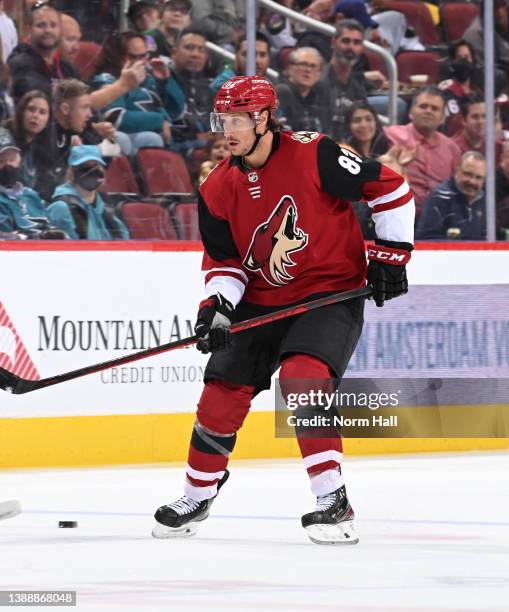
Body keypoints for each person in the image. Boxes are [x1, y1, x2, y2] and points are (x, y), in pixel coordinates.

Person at [152, 76, 415, 545]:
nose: (226, 130)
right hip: (262, 299)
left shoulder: (314, 153)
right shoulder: (217, 185)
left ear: (262, 118)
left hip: (327, 294)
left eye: (236, 120)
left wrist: (391, 256)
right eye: (222, 120)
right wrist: (218, 306)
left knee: (303, 378)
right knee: (220, 392)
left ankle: (332, 500)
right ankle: (197, 492)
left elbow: (390, 188)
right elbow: (225, 261)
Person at [92, 31, 185, 155]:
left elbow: (177, 112)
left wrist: (165, 82)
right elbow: (115, 117)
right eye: (134, 57)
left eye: (144, 56)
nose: (142, 62)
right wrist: (159, 121)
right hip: (136, 142)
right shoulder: (108, 80)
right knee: (151, 139)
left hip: (170, 143)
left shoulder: (150, 76)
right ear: (118, 57)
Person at [384, 86, 461, 217]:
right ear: (410, 112)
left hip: (439, 218)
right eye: (423, 106)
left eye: (434, 108)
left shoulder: (452, 149)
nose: (428, 111)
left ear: (443, 118)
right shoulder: (389, 135)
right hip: (397, 214)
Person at [47, 145, 129, 240]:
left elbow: (123, 239)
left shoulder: (106, 206)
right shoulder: (61, 207)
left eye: (96, 165)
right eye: (85, 166)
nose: (92, 171)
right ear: (72, 171)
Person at [8, 1, 80, 102]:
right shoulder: (19, 63)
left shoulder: (66, 67)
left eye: (53, 25)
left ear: (60, 29)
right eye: (41, 25)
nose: (48, 30)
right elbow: (41, 96)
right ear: (29, 29)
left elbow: (84, 102)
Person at [0, 126, 63, 238]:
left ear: (20, 159)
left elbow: (49, 228)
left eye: (12, 159)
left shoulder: (30, 195)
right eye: (1, 161)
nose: (8, 165)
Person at [416, 151, 487, 240]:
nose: (472, 181)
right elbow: (425, 240)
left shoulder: (485, 201)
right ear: (457, 170)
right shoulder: (439, 198)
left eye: (478, 177)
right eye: (467, 174)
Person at [169, 27, 214, 155]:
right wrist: (195, 137)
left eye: (201, 50)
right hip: (175, 148)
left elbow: (219, 129)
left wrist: (216, 135)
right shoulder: (163, 81)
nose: (195, 54)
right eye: (189, 47)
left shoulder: (209, 89)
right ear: (174, 53)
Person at [4, 89, 52, 189]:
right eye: (31, 109)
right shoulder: (4, 136)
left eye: (42, 112)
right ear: (21, 111)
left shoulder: (42, 147)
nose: (36, 116)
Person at [276, 46, 331, 133]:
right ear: (290, 68)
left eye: (313, 66)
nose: (308, 70)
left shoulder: (318, 97)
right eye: (303, 64)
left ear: (319, 73)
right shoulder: (281, 92)